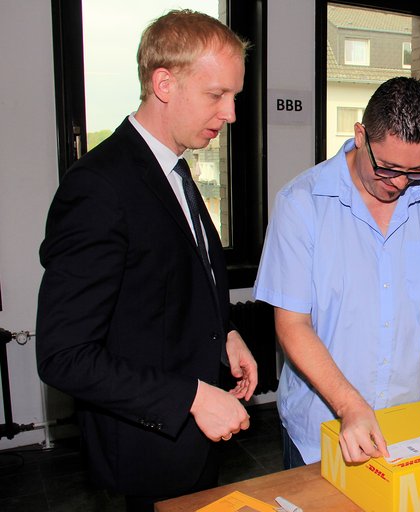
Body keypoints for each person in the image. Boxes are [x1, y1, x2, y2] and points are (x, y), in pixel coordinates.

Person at [36, 10, 257, 510]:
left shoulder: (175, 169)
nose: (231, 114)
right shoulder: (98, 187)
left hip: (193, 445)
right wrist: (194, 397)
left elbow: (174, 281)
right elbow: (64, 355)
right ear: (164, 83)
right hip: (142, 459)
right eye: (216, 95)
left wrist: (226, 333)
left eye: (234, 97)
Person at [254, 77, 420, 467]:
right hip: (323, 431)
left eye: (416, 170)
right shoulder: (301, 204)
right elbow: (292, 325)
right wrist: (349, 405)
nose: (400, 183)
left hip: (411, 424)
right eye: (387, 167)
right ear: (359, 136)